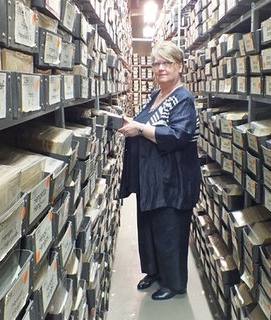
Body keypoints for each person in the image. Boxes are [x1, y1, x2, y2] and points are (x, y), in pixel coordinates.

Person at [118, 41, 201, 301]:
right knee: (150, 227)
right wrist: (130, 123)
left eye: (167, 63)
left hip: (173, 180)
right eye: (156, 63)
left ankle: (174, 283)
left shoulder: (184, 98)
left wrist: (139, 129)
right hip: (152, 179)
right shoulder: (156, 95)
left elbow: (178, 135)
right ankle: (154, 271)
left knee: (170, 229)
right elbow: (145, 121)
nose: (160, 68)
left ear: (179, 66)